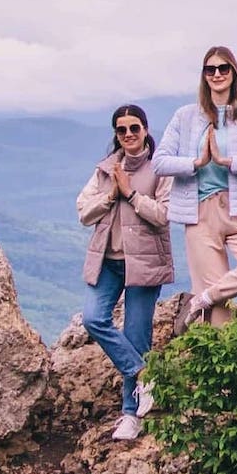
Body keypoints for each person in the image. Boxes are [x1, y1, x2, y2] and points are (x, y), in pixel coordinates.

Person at [154, 46, 237, 330]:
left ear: (234, 73)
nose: (217, 74)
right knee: (220, 318)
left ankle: (202, 299)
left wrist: (227, 161)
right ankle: (211, 329)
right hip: (200, 213)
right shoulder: (185, 116)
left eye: (223, 68)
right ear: (204, 75)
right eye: (210, 69)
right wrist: (196, 163)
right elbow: (159, 162)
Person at [77, 103, 174, 442]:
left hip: (144, 263)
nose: (129, 134)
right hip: (108, 260)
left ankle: (131, 415)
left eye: (135, 128)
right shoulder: (106, 169)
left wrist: (131, 194)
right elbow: (83, 211)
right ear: (116, 134)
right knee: (93, 318)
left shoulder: (161, 168)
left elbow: (164, 215)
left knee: (136, 336)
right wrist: (111, 195)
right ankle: (144, 374)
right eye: (122, 129)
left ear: (145, 130)